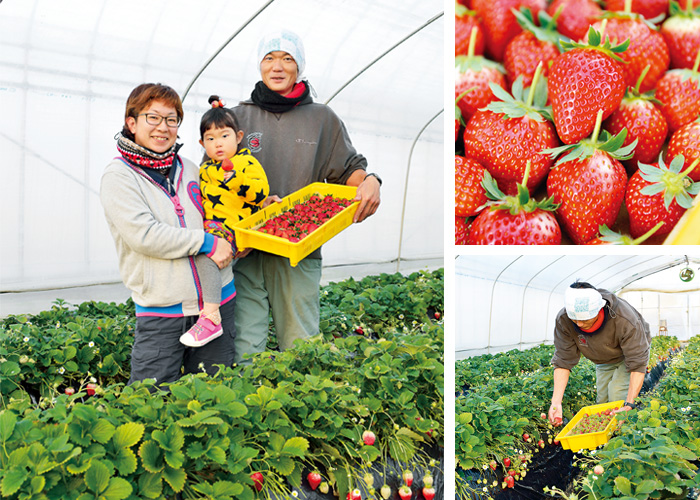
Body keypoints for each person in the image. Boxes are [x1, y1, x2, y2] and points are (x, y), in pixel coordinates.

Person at [229, 29, 382, 363]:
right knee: (244, 342)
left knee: (301, 344)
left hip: (298, 249)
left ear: (299, 67)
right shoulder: (238, 117)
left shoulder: (321, 119)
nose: (278, 66)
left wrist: (370, 180)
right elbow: (213, 175)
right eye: (269, 58)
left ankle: (302, 404)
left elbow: (348, 170)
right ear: (259, 65)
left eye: (287, 58)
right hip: (245, 249)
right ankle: (246, 407)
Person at [100, 83, 236, 385]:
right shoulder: (119, 176)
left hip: (218, 303)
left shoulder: (189, 168)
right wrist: (206, 241)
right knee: (150, 402)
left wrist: (258, 205)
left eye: (171, 119)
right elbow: (144, 235)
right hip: (163, 312)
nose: (163, 128)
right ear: (131, 123)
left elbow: (223, 207)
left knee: (214, 398)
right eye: (153, 118)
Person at [179, 95, 269, 348]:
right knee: (195, 248)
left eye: (224, 136)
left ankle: (210, 316)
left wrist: (236, 181)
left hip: (237, 228)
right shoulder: (205, 169)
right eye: (210, 138)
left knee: (205, 251)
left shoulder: (247, 162)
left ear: (239, 137)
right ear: (202, 143)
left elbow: (260, 193)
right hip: (213, 226)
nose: (218, 144)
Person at [548, 281, 651, 425]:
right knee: (602, 402)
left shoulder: (624, 318)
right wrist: (556, 403)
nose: (579, 324)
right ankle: (601, 439)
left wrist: (630, 404)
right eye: (574, 318)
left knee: (616, 394)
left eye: (584, 319)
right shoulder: (564, 319)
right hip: (602, 359)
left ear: (599, 308)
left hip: (627, 356)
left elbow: (637, 363)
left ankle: (620, 437)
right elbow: (563, 360)